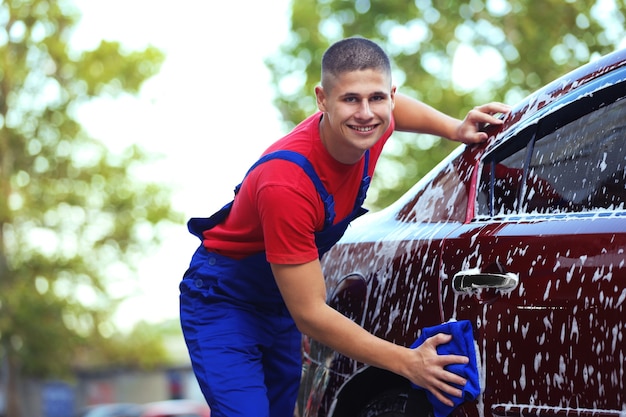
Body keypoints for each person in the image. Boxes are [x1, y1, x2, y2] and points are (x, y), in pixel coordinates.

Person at [179, 37, 510, 417]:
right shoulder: (285, 183)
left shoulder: (372, 125)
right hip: (225, 302)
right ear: (322, 99)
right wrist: (407, 362)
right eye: (350, 99)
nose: (366, 113)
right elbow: (310, 313)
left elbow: (395, 110)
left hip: (280, 302)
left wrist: (455, 128)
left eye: (377, 98)